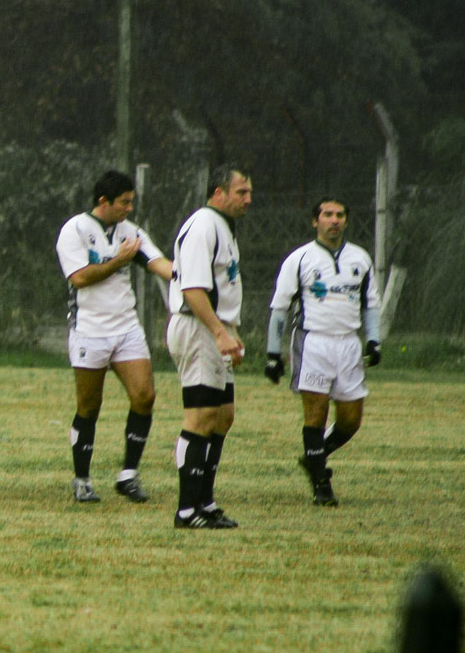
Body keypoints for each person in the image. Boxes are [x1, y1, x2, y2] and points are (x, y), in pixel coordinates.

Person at [55, 170, 173, 504]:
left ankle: (128, 475)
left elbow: (157, 262)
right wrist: (119, 260)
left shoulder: (130, 232)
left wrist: (186, 275)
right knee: (89, 407)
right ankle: (82, 480)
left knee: (145, 396)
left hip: (126, 327)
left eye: (131, 202)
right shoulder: (75, 230)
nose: (129, 208)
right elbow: (79, 278)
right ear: (103, 201)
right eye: (124, 202)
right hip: (89, 330)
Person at [265, 197, 381, 506]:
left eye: (340, 215)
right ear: (315, 221)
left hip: (348, 343)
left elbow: (370, 303)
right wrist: (272, 353)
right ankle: (321, 484)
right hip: (313, 341)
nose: (334, 220)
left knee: (351, 420)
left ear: (347, 220)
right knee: (315, 415)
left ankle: (314, 456)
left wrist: (374, 340)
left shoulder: (360, 258)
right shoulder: (300, 259)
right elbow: (279, 308)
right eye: (327, 215)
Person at [165, 165, 253, 529]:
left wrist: (228, 329)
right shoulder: (204, 225)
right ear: (219, 193)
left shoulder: (222, 227)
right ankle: (187, 510)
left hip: (215, 328)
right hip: (198, 326)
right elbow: (193, 290)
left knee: (222, 415)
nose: (248, 199)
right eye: (241, 192)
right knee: (199, 418)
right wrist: (218, 332)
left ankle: (205, 500)